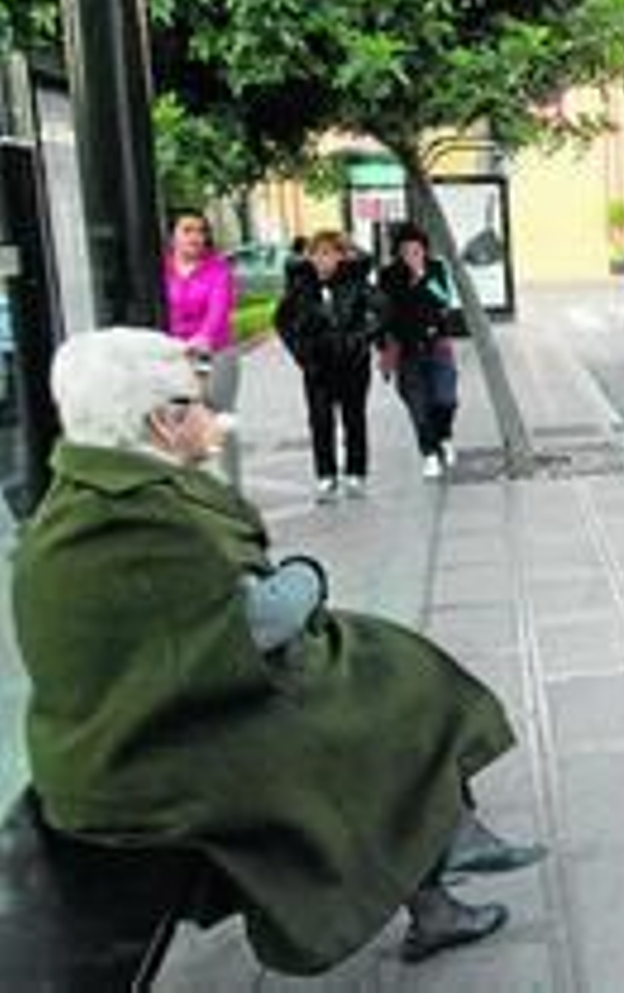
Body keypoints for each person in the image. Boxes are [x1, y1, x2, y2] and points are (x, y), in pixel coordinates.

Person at [10, 328, 543, 972]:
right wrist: (308, 575)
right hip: (141, 763)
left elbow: (204, 628)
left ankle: (442, 870)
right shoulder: (133, 519)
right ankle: (440, 856)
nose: (211, 414)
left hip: (135, 731)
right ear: (162, 421)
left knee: (380, 677)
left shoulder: (89, 494)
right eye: (198, 402)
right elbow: (260, 622)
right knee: (371, 718)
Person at [274, 230, 378, 502]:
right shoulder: (300, 285)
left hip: (353, 364)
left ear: (341, 257)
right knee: (321, 421)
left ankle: (356, 474)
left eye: (329, 253)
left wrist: (362, 338)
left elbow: (384, 310)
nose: (323, 260)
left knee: (354, 418)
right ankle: (326, 477)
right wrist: (301, 353)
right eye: (317, 254)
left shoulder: (355, 281)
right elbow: (281, 321)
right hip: (317, 366)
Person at [377, 222, 460, 480]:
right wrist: (384, 348)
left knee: (446, 399)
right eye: (406, 250)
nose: (412, 254)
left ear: (424, 249)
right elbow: (386, 312)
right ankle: (430, 454)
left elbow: (444, 299)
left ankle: (444, 437)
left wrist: (422, 275)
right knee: (418, 405)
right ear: (398, 253)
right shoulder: (389, 276)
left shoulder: (435, 269)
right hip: (406, 350)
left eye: (417, 249)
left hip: (437, 345)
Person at [163, 208, 240, 481]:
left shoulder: (218, 269)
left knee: (218, 422)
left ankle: (230, 491)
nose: (196, 237)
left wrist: (204, 338)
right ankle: (189, 491)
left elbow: (219, 310)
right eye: (187, 230)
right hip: (174, 357)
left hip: (215, 353)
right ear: (172, 236)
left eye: (201, 230)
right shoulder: (162, 269)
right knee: (176, 421)